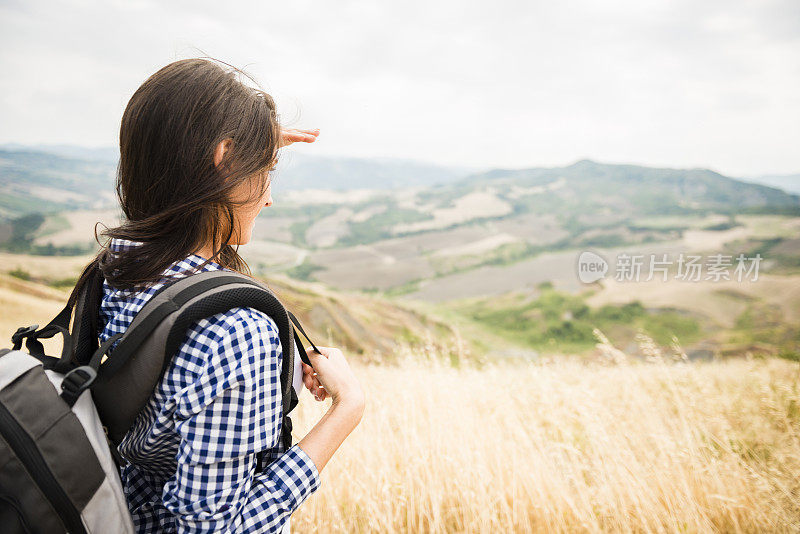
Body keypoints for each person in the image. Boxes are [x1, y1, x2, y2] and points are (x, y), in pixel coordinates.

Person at [67, 57, 365, 533]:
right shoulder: (235, 331)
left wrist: (246, 153)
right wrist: (348, 408)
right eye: (266, 170)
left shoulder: (117, 272)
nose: (268, 197)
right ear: (223, 160)